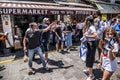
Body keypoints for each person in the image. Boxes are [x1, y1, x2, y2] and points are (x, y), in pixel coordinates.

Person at [82, 16, 97, 80]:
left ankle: (91, 75)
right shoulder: (88, 27)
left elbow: (95, 35)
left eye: (85, 20)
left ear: (88, 21)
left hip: (91, 45)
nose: (84, 22)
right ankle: (88, 69)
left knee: (90, 59)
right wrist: (84, 27)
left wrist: (87, 35)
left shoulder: (92, 27)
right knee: (87, 58)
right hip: (88, 44)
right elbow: (83, 32)